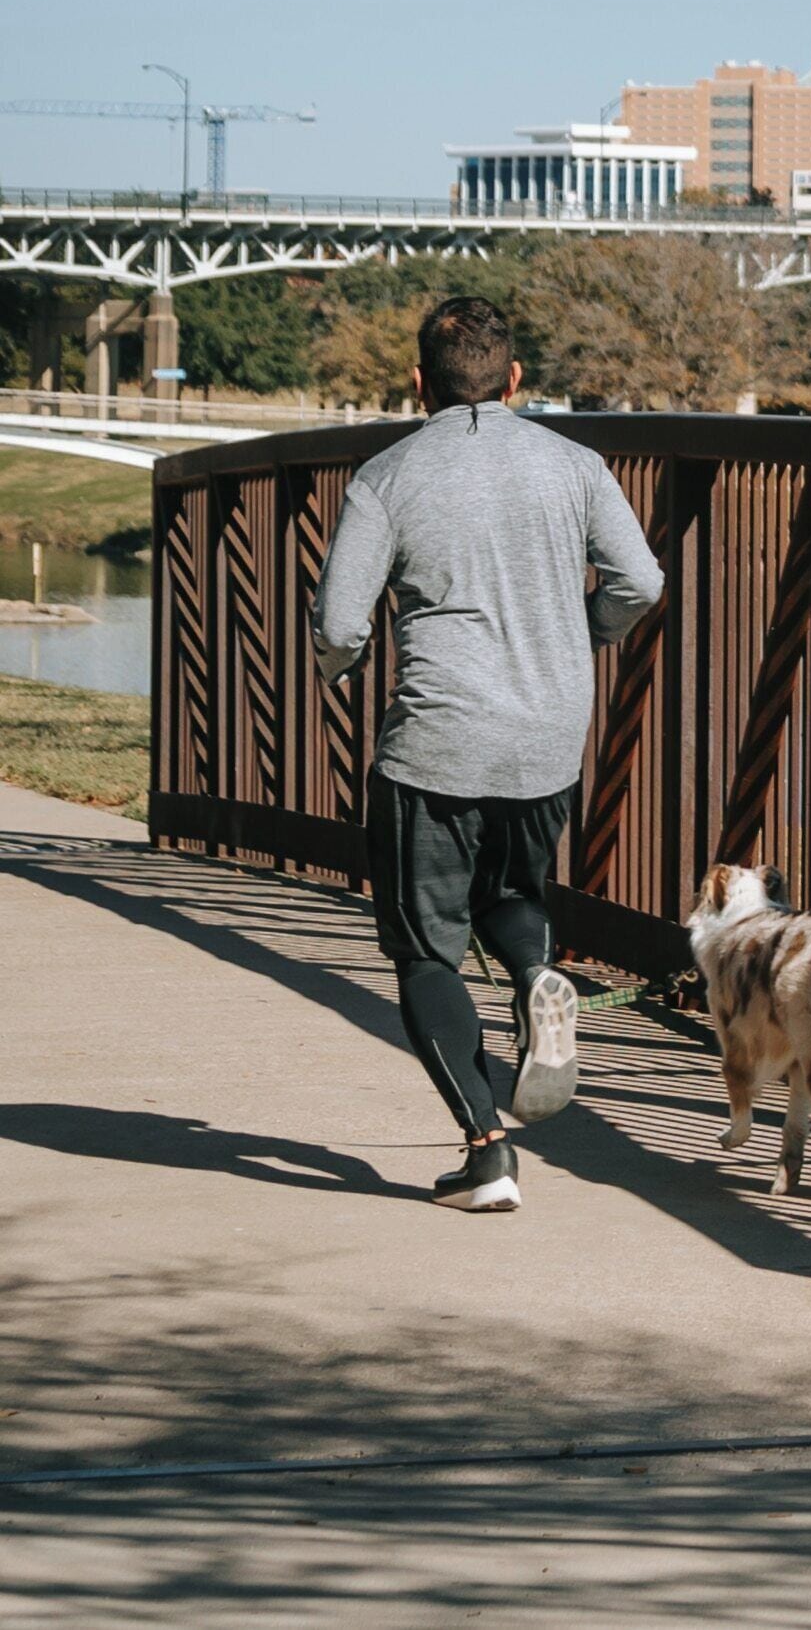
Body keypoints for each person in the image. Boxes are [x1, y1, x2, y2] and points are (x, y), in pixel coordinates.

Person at [312, 293, 664, 1212]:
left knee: (426, 952)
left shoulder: (387, 475)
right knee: (512, 892)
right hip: (547, 736)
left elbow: (342, 623)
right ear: (514, 380)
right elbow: (641, 578)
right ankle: (539, 975)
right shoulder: (576, 463)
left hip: (437, 740)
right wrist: (583, 629)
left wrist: (336, 672)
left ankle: (486, 1153)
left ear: (417, 383)